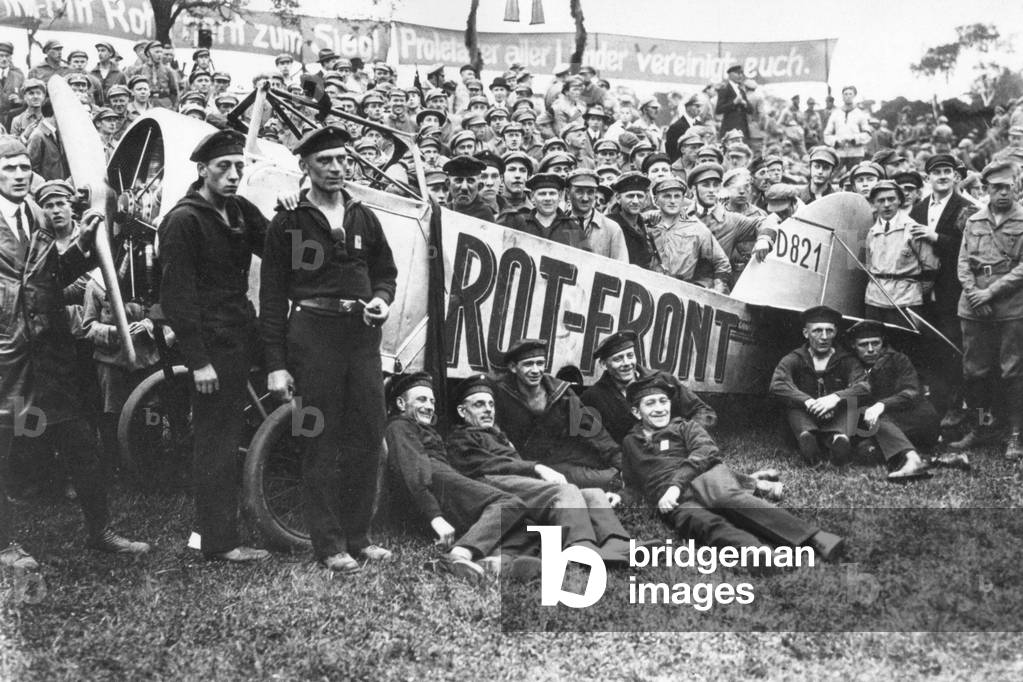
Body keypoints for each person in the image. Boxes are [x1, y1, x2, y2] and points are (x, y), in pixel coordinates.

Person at [0, 136, 149, 572]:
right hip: (8, 357)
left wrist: (83, 246)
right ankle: (5, 544)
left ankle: (100, 531)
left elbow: (50, 276)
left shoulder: (36, 216)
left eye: (23, 168)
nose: (17, 175)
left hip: (50, 354)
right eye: (7, 169)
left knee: (82, 444)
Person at [260, 126, 397, 573]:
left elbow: (386, 272)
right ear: (306, 167)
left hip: (361, 337)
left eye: (342, 159)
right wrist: (276, 366)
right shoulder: (289, 222)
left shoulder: (364, 217)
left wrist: (380, 299)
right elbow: (273, 298)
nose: (337, 168)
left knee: (367, 434)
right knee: (319, 437)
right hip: (313, 336)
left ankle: (360, 536)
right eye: (326, 161)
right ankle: (330, 544)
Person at [158, 130, 269, 563]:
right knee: (217, 440)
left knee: (226, 431)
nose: (233, 175)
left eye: (239, 167)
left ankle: (206, 530)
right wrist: (199, 361)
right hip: (211, 345)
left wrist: (292, 220)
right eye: (224, 167)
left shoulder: (239, 210)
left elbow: (278, 248)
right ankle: (220, 542)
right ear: (202, 170)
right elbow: (176, 299)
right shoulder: (185, 220)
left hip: (241, 331)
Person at [622, 373, 845, 561]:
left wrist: (675, 484)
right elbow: (634, 484)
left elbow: (706, 451)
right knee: (701, 522)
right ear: (635, 412)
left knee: (726, 498)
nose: (660, 408)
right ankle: (756, 553)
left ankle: (814, 537)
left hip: (704, 476)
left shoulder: (684, 427)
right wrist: (620, 497)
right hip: (673, 500)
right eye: (650, 403)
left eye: (663, 401)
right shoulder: (630, 443)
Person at [446, 375, 633, 564]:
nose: (488, 410)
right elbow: (483, 465)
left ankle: (617, 542)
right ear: (462, 411)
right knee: (564, 491)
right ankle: (580, 546)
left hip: (520, 488)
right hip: (490, 485)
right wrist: (536, 467)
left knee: (593, 493)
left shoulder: (497, 435)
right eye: (479, 405)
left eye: (491, 404)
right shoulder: (460, 437)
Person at [384, 372, 540, 581]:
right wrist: (435, 517)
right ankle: (457, 556)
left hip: (443, 480)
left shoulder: (423, 427)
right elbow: (411, 470)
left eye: (432, 401)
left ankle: (492, 564)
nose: (429, 406)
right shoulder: (399, 425)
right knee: (509, 503)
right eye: (421, 399)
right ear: (401, 403)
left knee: (528, 528)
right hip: (434, 479)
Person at [952, 160, 1023, 459]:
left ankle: (1016, 435)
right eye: (996, 188)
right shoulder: (974, 221)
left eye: (1008, 187)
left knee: (1012, 371)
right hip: (974, 307)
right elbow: (963, 263)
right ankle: (981, 427)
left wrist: (990, 293)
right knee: (975, 372)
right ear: (986, 190)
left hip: (1011, 306)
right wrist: (974, 294)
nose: (1003, 193)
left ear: (1016, 187)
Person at [492, 338, 622, 490]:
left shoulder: (560, 392)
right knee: (603, 479)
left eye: (540, 363)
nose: (535, 370)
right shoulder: (501, 394)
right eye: (528, 364)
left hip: (563, 458)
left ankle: (622, 476)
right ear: (513, 367)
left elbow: (591, 429)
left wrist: (619, 460)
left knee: (607, 473)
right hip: (522, 464)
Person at [908, 153, 977, 417]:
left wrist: (935, 236)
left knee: (952, 345)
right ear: (928, 178)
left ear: (956, 176)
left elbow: (970, 248)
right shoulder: (918, 209)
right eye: (937, 172)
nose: (943, 176)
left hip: (953, 288)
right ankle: (936, 404)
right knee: (930, 347)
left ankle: (957, 406)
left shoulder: (966, 207)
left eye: (947, 171)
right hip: (924, 291)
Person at [769, 305, 871, 465]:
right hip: (805, 414)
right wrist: (808, 401)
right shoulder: (794, 358)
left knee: (849, 405)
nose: (824, 336)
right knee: (794, 407)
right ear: (805, 333)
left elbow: (864, 386)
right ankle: (808, 439)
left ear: (835, 332)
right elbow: (777, 384)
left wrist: (836, 398)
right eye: (817, 331)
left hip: (836, 414)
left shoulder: (847, 360)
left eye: (829, 331)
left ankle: (840, 440)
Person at [580, 330, 716, 444]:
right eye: (618, 359)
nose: (627, 363)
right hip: (635, 460)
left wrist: (683, 436)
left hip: (675, 451)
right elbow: (591, 438)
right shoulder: (593, 397)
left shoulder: (662, 379)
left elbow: (704, 412)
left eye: (630, 356)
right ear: (603, 365)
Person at [847, 320, 939, 481]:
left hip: (918, 419)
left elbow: (911, 391)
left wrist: (882, 405)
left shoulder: (898, 359)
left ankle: (913, 461)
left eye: (875, 343)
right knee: (865, 451)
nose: (870, 349)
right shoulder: (853, 365)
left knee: (874, 421)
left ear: (883, 342)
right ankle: (944, 460)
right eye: (863, 345)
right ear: (854, 346)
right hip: (889, 427)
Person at [863, 181, 939, 326]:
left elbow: (931, 267)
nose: (886, 204)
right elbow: (869, 266)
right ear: (873, 204)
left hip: (906, 300)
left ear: (899, 201)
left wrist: (913, 291)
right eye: (881, 200)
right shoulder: (872, 232)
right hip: (875, 299)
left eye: (891, 199)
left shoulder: (913, 229)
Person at [685, 162, 775, 284]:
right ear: (693, 189)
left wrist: (764, 239)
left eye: (716, 185)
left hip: (714, 289)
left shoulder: (731, 220)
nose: (712, 190)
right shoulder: (680, 214)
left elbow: (765, 222)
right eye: (706, 185)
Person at [647, 176, 731, 292]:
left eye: (677, 196)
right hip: (650, 288)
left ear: (683, 200)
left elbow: (721, 263)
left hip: (684, 291)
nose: (672, 201)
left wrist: (717, 290)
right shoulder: (646, 225)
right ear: (656, 200)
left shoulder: (696, 228)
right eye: (667, 196)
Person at [499, 172, 587, 248]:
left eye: (552, 193)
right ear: (532, 197)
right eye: (542, 194)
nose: (548, 198)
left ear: (560, 196)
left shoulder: (572, 228)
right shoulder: (519, 224)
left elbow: (586, 261)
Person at [565, 168, 629, 262]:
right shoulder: (559, 224)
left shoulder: (612, 229)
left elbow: (621, 269)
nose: (585, 198)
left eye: (590, 192)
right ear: (567, 193)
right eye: (579, 191)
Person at [605, 172, 656, 268]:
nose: (636, 201)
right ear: (618, 198)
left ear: (646, 198)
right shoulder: (609, 225)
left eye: (640, 196)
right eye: (630, 196)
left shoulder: (644, 225)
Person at [823, 85, 871, 170]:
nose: (848, 96)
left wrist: (854, 139)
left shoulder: (860, 114)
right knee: (834, 177)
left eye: (850, 94)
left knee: (854, 177)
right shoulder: (835, 114)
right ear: (842, 96)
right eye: (845, 94)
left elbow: (868, 134)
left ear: (854, 96)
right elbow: (826, 134)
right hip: (839, 153)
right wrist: (836, 141)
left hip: (856, 153)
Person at [443, 155, 495, 221]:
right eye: (458, 180)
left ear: (479, 186)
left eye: (470, 181)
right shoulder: (443, 212)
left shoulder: (485, 215)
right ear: (448, 184)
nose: (464, 187)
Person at [715, 65, 752, 140]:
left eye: (742, 73)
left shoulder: (741, 90)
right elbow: (718, 109)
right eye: (738, 73)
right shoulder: (725, 88)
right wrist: (734, 103)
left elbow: (751, 110)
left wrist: (745, 104)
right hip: (730, 128)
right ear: (730, 75)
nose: (740, 76)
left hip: (742, 128)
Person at [0, 41, 26, 130]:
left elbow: (27, 99)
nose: (4, 59)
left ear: (11, 58)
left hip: (13, 123)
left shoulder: (19, 75)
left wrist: (20, 100)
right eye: (1, 55)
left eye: (7, 56)